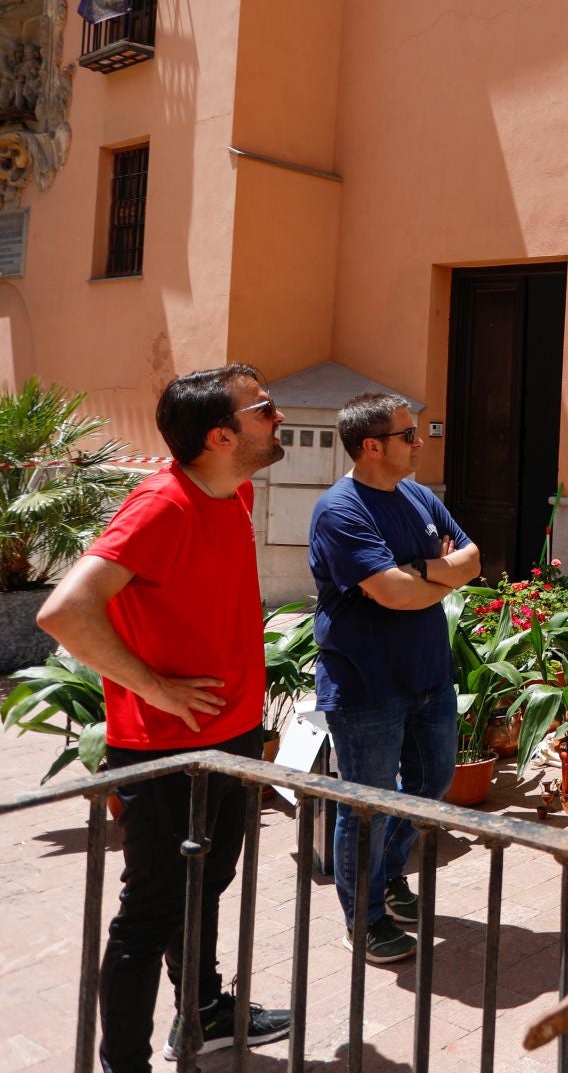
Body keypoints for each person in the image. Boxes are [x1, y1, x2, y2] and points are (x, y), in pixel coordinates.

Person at [37, 364, 295, 1070]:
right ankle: (125, 1063)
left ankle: (204, 1013)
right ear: (220, 435)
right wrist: (155, 688)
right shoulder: (162, 506)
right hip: (166, 754)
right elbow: (64, 611)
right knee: (148, 913)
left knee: (206, 885)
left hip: (230, 739)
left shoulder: (233, 489)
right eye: (264, 408)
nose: (278, 416)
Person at [307, 392, 479, 965]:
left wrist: (421, 571)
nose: (420, 442)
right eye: (409, 434)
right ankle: (365, 917)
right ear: (372, 445)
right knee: (366, 805)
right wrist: (435, 576)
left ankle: (384, 876)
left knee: (431, 784)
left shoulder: (417, 495)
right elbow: (392, 593)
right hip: (365, 684)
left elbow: (473, 560)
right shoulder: (341, 510)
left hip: (427, 672)